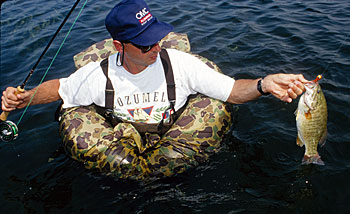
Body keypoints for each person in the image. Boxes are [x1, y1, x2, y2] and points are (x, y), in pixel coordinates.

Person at [1, 0, 307, 130]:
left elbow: (232, 90)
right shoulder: (99, 75)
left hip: (178, 158)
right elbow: (60, 89)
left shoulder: (181, 65)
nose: (156, 48)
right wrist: (26, 99)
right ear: (120, 46)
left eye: (158, 38)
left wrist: (263, 84)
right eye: (146, 44)